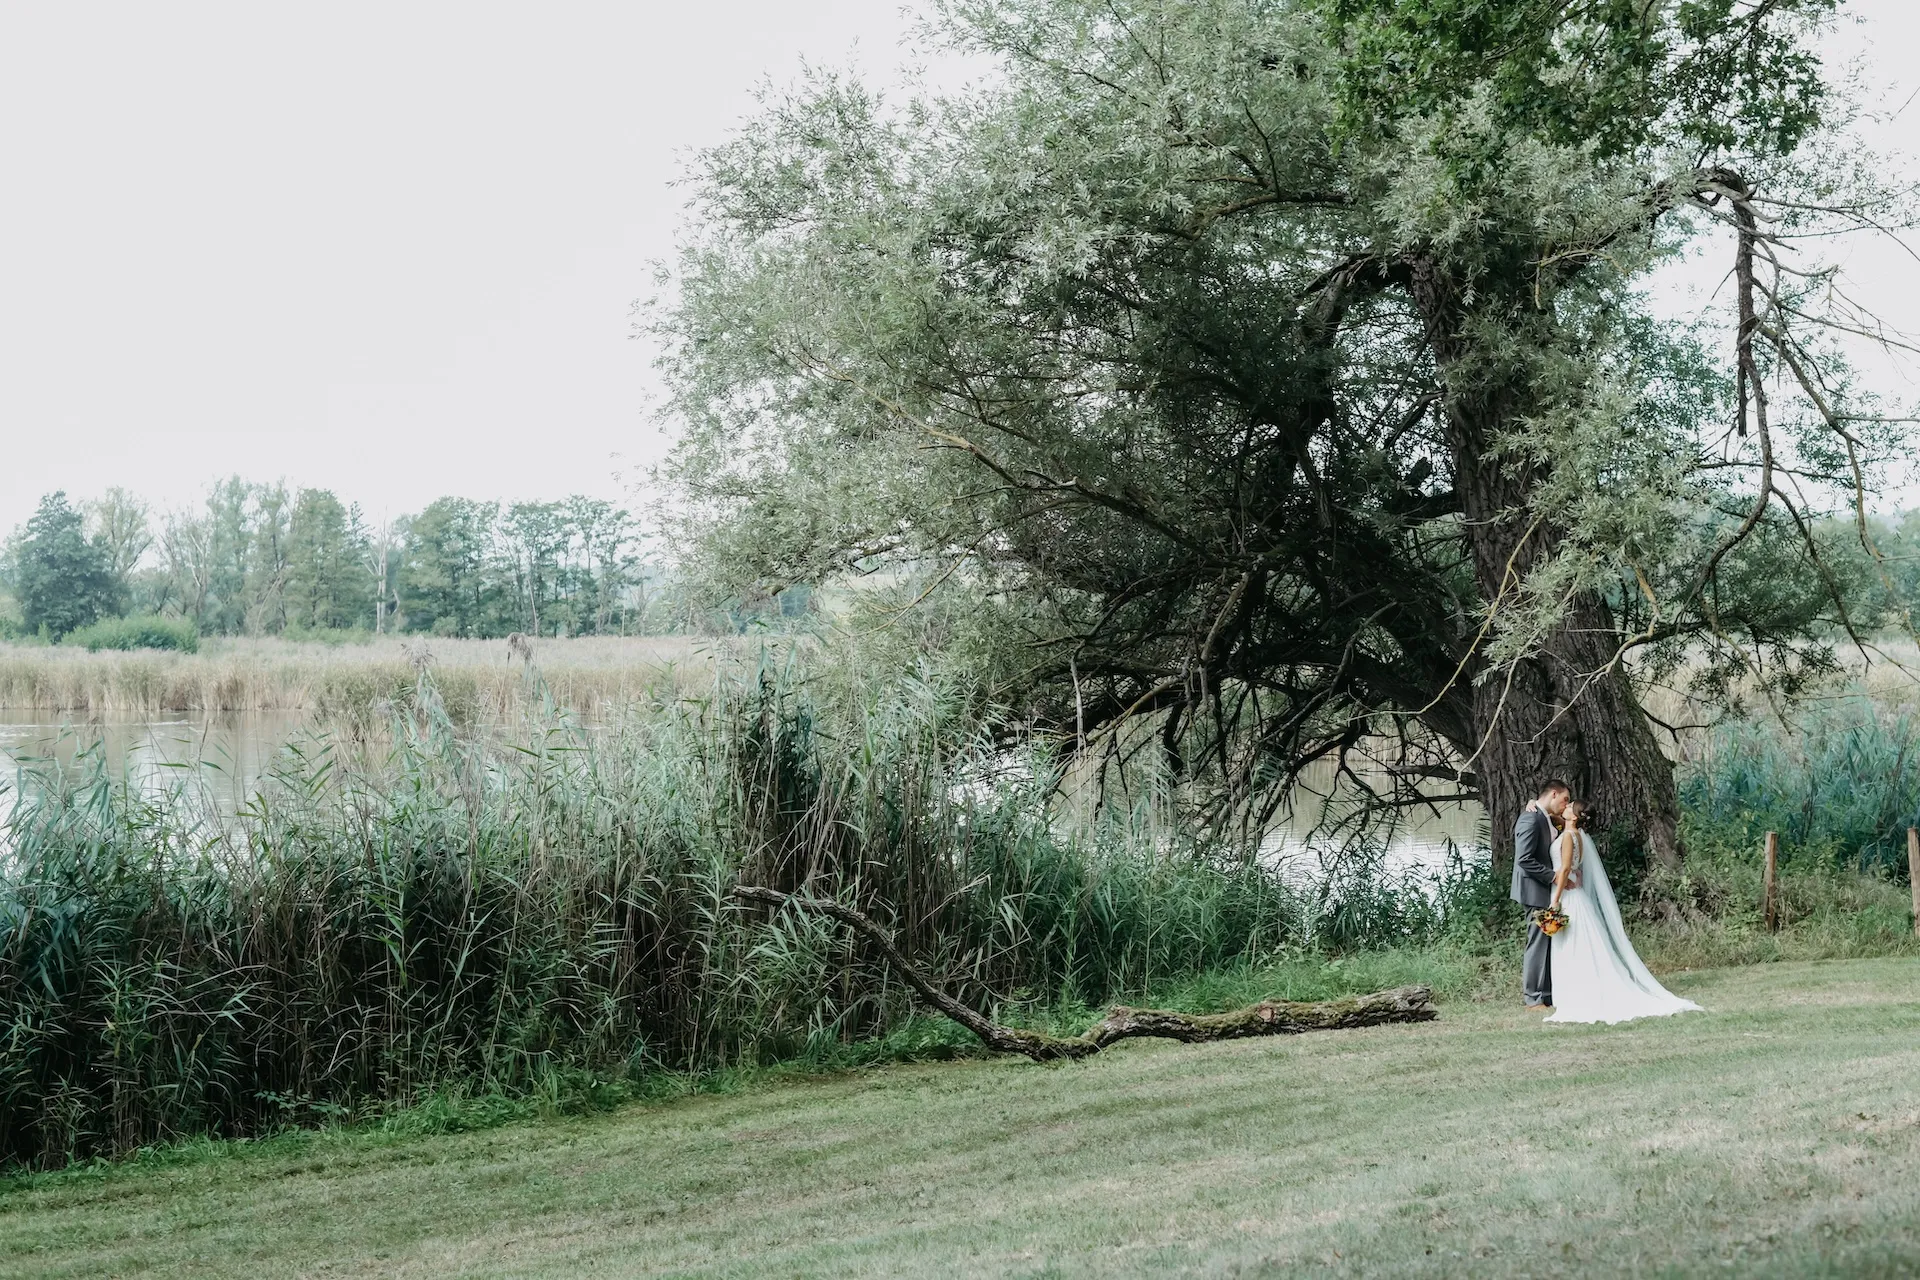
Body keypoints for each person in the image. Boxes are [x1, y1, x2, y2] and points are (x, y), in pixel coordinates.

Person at [1542, 801, 1703, 1024]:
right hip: (1575, 893)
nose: (1566, 806)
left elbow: (1566, 868)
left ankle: (1580, 994)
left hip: (1568, 896)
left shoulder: (1569, 837)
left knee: (1573, 944)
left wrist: (1556, 899)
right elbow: (1557, 825)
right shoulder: (1577, 835)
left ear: (1575, 817)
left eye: (1570, 806)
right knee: (1578, 943)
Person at [1510, 779, 1569, 1010]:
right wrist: (1553, 877)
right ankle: (1532, 997)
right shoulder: (1530, 818)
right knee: (1537, 942)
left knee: (1546, 941)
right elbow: (1524, 860)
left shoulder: (1543, 816)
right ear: (1553, 794)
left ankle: (1546, 994)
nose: (1566, 804)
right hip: (1534, 889)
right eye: (1564, 799)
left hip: (1544, 890)